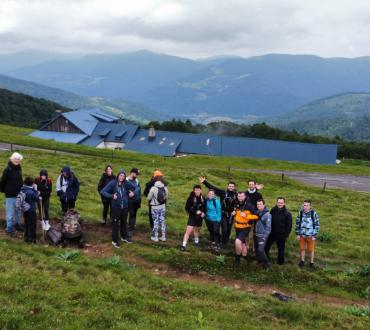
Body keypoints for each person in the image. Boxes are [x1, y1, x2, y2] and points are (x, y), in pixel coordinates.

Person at [100, 169, 135, 248]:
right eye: (120, 175)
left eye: (123, 176)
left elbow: (135, 188)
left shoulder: (126, 183)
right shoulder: (113, 183)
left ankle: (124, 237)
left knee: (124, 223)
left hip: (125, 208)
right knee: (115, 225)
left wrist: (133, 193)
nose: (122, 177)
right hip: (116, 208)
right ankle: (114, 241)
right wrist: (112, 196)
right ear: (118, 176)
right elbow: (103, 191)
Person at [199, 176, 237, 247]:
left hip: (231, 215)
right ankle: (221, 243)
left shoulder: (236, 195)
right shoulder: (223, 193)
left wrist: (235, 210)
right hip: (223, 214)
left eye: (232, 186)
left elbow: (241, 200)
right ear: (228, 186)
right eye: (230, 186)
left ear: (234, 187)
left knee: (228, 230)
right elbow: (213, 188)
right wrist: (204, 182)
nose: (231, 187)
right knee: (224, 229)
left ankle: (225, 243)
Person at [0, 152, 24, 236]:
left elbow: (20, 180)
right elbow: (3, 181)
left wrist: (22, 189)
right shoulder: (8, 169)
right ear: (12, 159)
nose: (17, 161)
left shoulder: (19, 168)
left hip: (18, 194)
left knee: (18, 211)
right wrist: (4, 190)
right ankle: (9, 229)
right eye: (16, 159)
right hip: (10, 195)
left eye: (18, 159)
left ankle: (16, 225)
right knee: (10, 213)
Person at [233, 191, 259, 267]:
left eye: (241, 196)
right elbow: (236, 213)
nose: (240, 198)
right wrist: (234, 213)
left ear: (244, 197)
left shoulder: (249, 205)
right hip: (237, 226)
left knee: (237, 242)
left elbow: (257, 216)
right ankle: (245, 256)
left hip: (245, 227)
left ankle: (237, 257)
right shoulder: (236, 203)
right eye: (239, 196)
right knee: (243, 243)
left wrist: (246, 216)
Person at [264, 197, 292, 265]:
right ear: (276, 202)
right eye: (278, 202)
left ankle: (280, 262)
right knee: (266, 246)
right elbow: (269, 220)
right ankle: (265, 259)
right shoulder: (273, 210)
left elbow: (289, 226)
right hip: (272, 233)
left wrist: (285, 235)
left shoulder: (287, 214)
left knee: (281, 249)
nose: (279, 204)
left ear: (284, 203)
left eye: (281, 203)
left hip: (281, 235)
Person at [295, 200, 320, 269]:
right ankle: (302, 261)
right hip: (302, 235)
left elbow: (317, 224)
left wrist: (314, 235)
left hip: (310, 236)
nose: (305, 207)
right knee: (302, 248)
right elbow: (297, 223)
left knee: (311, 250)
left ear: (310, 206)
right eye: (304, 205)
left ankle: (311, 262)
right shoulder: (300, 213)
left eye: (307, 205)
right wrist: (297, 234)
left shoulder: (313, 214)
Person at [180, 185, 206, 251]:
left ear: (200, 190)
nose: (197, 191)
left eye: (199, 190)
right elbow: (187, 208)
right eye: (196, 190)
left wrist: (203, 212)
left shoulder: (203, 197)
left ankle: (196, 242)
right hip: (192, 216)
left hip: (200, 217)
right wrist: (195, 212)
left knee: (197, 230)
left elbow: (205, 207)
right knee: (189, 230)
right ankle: (183, 245)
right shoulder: (191, 198)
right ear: (194, 190)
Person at [147, 173, 168, 242]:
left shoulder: (153, 188)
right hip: (162, 207)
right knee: (162, 221)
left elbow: (148, 198)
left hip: (155, 207)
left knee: (155, 221)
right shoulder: (165, 188)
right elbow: (166, 197)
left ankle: (155, 237)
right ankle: (163, 236)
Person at [20, 177, 40, 243]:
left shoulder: (22, 189)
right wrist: (36, 190)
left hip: (25, 210)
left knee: (27, 224)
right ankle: (33, 239)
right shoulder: (31, 192)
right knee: (32, 225)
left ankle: (26, 238)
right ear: (32, 184)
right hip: (31, 210)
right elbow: (36, 198)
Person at [254, 199, 272, 269]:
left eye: (260, 204)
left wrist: (265, 236)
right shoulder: (257, 212)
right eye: (258, 204)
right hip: (256, 234)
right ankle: (259, 261)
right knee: (256, 250)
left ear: (264, 205)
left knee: (261, 250)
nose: (259, 205)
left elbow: (268, 227)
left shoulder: (268, 215)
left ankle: (267, 263)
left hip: (262, 236)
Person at [127, 168, 141, 242]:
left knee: (133, 215)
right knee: (130, 214)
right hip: (128, 201)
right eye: (136, 174)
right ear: (132, 173)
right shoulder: (126, 180)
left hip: (136, 201)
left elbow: (139, 189)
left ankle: (131, 228)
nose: (137, 176)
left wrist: (139, 200)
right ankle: (129, 230)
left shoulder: (137, 181)